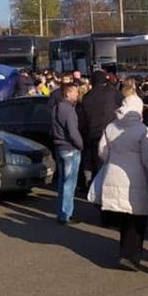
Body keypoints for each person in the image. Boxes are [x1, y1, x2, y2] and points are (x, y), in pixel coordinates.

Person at [97, 94, 148, 269]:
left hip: (113, 172)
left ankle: (124, 251)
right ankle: (131, 255)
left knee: (124, 216)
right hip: (135, 176)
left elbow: (101, 151)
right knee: (137, 216)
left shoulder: (111, 127)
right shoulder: (142, 130)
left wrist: (112, 160)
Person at [79, 72, 122, 189]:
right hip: (111, 133)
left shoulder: (87, 97)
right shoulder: (113, 93)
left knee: (94, 162)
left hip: (92, 134)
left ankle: (93, 186)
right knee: (108, 164)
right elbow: (121, 110)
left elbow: (82, 120)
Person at [51, 83, 85, 225]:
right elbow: (73, 132)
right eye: (75, 92)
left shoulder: (55, 108)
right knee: (69, 183)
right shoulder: (70, 111)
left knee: (62, 182)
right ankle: (66, 214)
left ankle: (61, 213)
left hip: (59, 147)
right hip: (70, 149)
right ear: (68, 93)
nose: (77, 95)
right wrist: (80, 145)